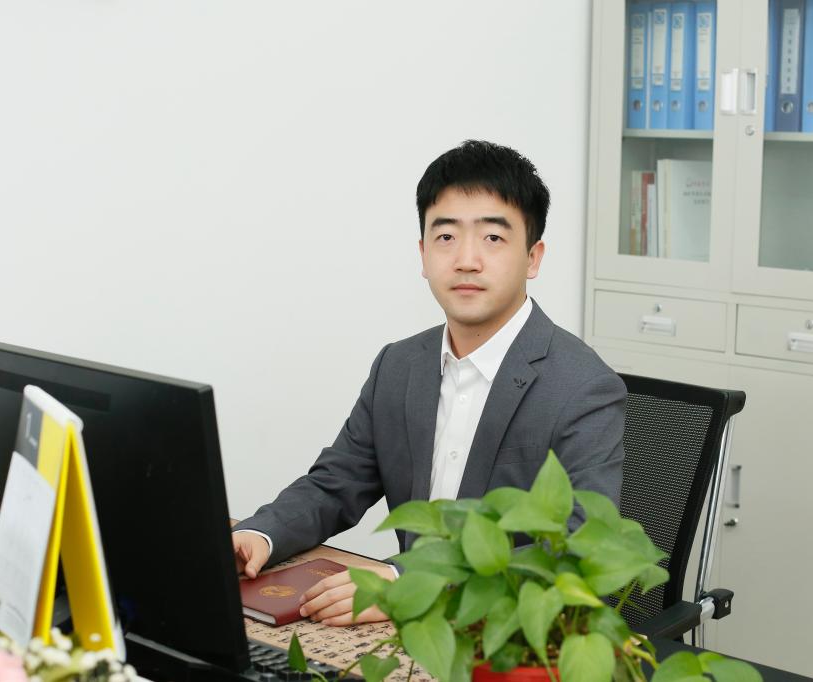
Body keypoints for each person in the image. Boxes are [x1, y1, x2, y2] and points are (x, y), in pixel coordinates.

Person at [232, 140, 626, 626]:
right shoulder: (399, 366)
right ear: (423, 254)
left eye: (493, 238)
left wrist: (407, 583)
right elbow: (336, 483)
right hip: (408, 631)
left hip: (511, 635)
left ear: (533, 257)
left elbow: (580, 547)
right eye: (446, 237)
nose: (466, 260)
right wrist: (261, 534)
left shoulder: (584, 387)